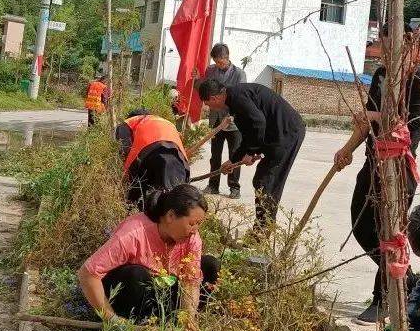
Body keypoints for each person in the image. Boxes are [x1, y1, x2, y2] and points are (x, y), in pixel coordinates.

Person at [333, 58, 420, 324]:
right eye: (384, 41)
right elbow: (367, 119)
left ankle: (383, 300)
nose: (388, 50)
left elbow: (412, 131)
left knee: (388, 233)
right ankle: (407, 278)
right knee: (361, 225)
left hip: (397, 169)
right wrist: (347, 149)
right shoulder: (380, 73)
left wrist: (376, 116)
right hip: (372, 161)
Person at [78, 184, 219, 328]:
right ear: (171, 216)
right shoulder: (133, 233)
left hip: (160, 291)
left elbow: (190, 281)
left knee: (210, 265)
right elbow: (88, 273)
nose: (194, 231)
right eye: (192, 224)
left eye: (199, 225)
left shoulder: (192, 238)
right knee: (136, 274)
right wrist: (111, 318)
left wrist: (187, 317)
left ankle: (173, 325)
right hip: (129, 295)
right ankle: (129, 330)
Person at [197, 78, 306, 229]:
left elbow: (258, 123)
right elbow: (249, 134)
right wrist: (233, 160)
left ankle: (262, 231)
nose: (210, 108)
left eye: (208, 104)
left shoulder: (238, 98)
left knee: (266, 181)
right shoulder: (234, 98)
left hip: (287, 132)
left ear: (214, 98)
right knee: (262, 181)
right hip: (277, 133)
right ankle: (263, 229)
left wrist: (251, 151)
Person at [115, 109, 190, 209]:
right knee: (176, 202)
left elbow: (124, 150)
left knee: (137, 199)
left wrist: (123, 177)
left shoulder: (129, 122)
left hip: (149, 156)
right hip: (179, 161)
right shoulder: (166, 122)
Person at [204, 44, 247, 199]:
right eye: (216, 62)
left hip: (233, 121)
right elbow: (203, 89)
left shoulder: (239, 74)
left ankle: (234, 187)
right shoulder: (210, 71)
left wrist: (233, 116)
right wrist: (196, 80)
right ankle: (213, 185)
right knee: (215, 155)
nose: (218, 65)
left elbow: (242, 98)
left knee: (234, 155)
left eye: (220, 62)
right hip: (216, 119)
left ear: (227, 57)